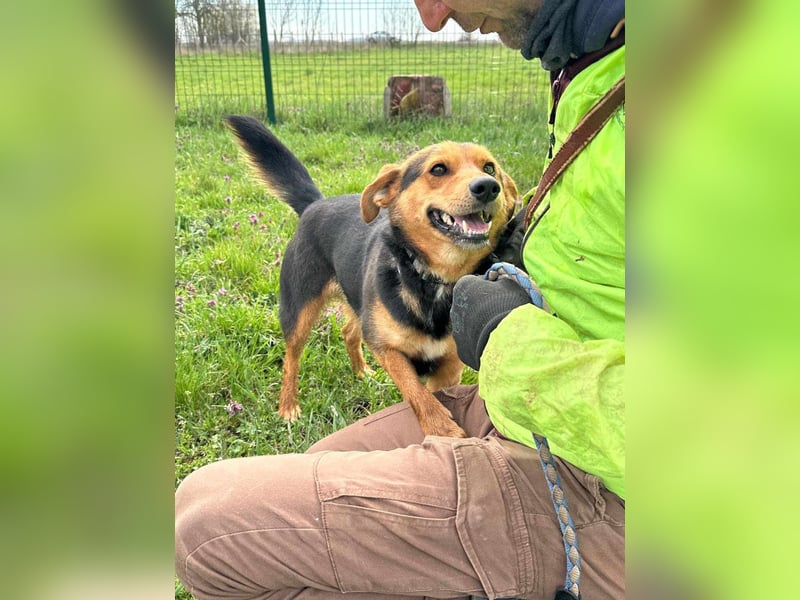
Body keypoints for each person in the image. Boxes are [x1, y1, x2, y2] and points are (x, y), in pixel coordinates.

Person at [175, 1, 625, 599]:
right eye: (440, 171)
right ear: (390, 197)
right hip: (524, 408)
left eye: (489, 176)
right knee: (275, 465)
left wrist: (506, 337)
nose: (433, 17)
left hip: (599, 478)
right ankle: (294, 377)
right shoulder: (589, 72)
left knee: (206, 530)